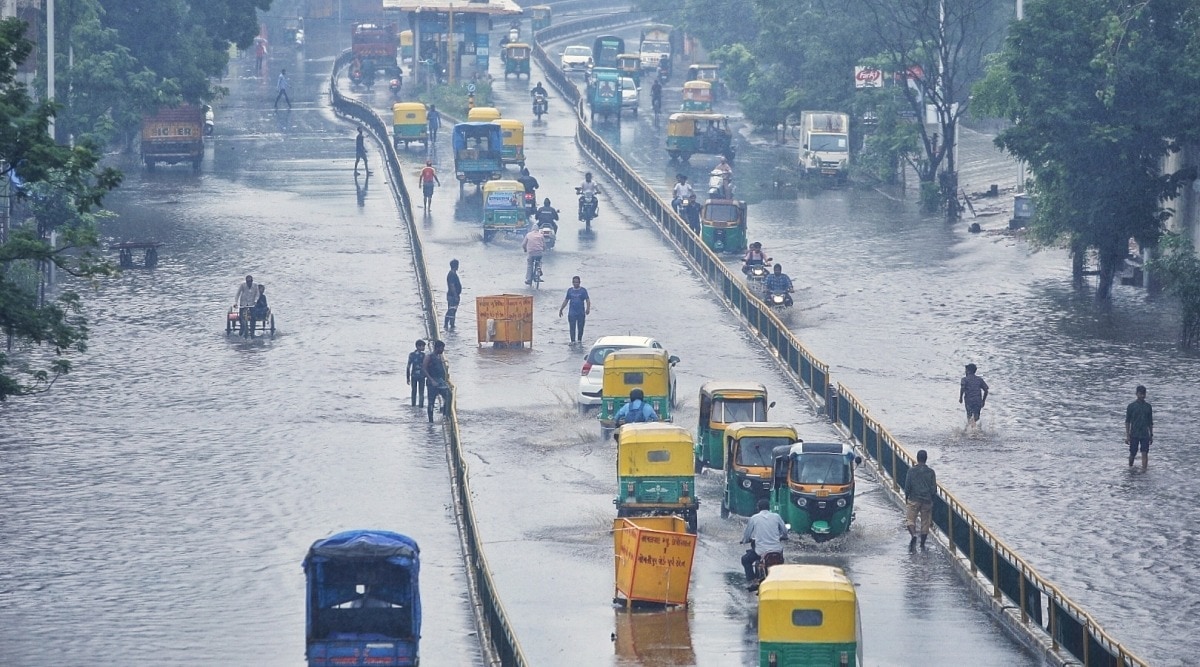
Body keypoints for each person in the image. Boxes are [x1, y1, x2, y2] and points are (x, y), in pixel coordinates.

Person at [741, 499, 787, 589]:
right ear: (769, 508)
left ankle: (752, 581)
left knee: (745, 559)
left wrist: (745, 540)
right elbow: (784, 531)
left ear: (758, 508)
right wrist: (783, 536)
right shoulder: (776, 516)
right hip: (777, 550)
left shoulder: (754, 518)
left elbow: (747, 535)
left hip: (761, 551)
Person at [904, 449, 937, 552]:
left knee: (910, 520)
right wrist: (932, 500)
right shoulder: (931, 472)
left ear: (917, 458)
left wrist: (906, 497)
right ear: (926, 459)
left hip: (914, 499)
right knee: (925, 523)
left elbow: (907, 486)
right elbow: (933, 489)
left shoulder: (911, 471)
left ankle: (913, 535)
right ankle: (922, 545)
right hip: (926, 501)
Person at [1125, 385, 1153, 469]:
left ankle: (1144, 471)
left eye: (1144, 394)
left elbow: (1150, 422)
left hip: (1145, 434)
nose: (1142, 396)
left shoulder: (1148, 407)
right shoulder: (1131, 406)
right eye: (1141, 394)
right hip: (1134, 433)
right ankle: (1130, 468)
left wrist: (1151, 435)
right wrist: (1127, 435)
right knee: (1133, 453)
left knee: (1145, 453)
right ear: (1136, 394)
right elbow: (1127, 421)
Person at [422, 339, 450, 422]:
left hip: (440, 382)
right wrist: (431, 380)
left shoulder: (439, 357)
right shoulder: (429, 357)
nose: (443, 350)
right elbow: (424, 369)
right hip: (432, 383)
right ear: (437, 348)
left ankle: (445, 415)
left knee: (448, 396)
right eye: (442, 348)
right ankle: (431, 421)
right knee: (431, 402)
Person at [558, 275, 591, 343]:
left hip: (581, 313)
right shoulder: (570, 291)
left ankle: (579, 341)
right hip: (572, 313)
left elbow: (587, 300)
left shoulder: (583, 290)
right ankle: (572, 341)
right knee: (572, 328)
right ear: (572, 282)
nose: (576, 283)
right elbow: (566, 300)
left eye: (577, 282)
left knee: (580, 328)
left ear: (579, 282)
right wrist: (561, 309)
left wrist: (588, 309)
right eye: (574, 282)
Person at [958, 363, 989, 430]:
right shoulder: (979, 379)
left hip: (969, 401)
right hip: (978, 401)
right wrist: (983, 401)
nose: (965, 372)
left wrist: (960, 398)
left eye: (966, 370)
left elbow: (962, 388)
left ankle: (968, 430)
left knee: (969, 416)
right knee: (976, 417)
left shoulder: (964, 379)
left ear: (968, 371)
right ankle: (976, 430)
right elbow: (986, 390)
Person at [406, 339, 427, 407]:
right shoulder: (423, 355)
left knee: (414, 391)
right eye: (422, 346)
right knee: (421, 392)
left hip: (415, 376)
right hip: (420, 376)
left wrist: (408, 377)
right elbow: (426, 366)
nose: (423, 348)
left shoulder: (412, 355)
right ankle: (420, 406)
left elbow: (408, 367)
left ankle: (413, 405)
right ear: (418, 346)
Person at [445, 259, 462, 330]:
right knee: (451, 310)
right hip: (452, 296)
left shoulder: (452, 273)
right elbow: (452, 286)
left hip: (452, 295)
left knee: (452, 310)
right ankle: (448, 325)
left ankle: (451, 325)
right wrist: (456, 296)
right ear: (455, 266)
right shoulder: (452, 274)